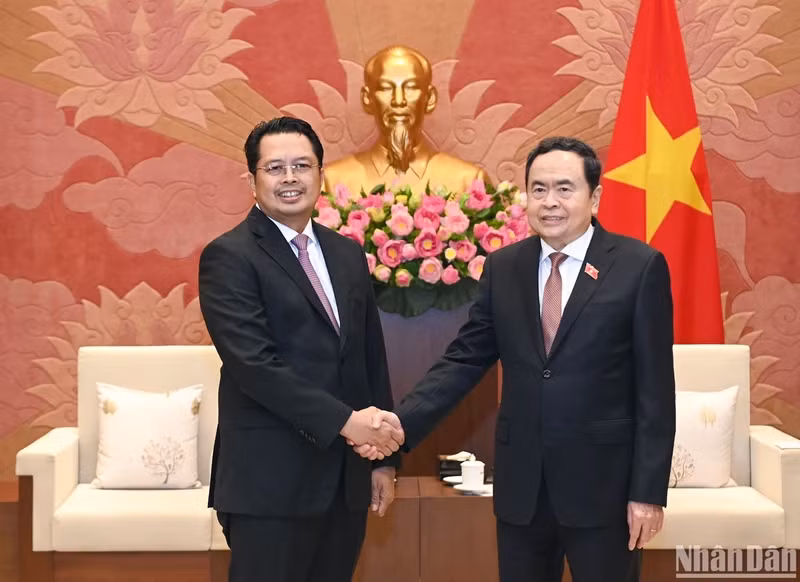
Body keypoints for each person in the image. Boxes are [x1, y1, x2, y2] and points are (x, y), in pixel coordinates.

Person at [358, 137, 676, 582]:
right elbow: (463, 361)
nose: (551, 202)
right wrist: (399, 428)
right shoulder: (505, 267)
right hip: (522, 490)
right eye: (539, 189)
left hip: (603, 490)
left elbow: (656, 392)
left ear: (595, 195)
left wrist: (647, 493)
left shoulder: (638, 267)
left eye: (565, 189)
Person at [199, 116, 404, 582]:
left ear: (321, 174)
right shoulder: (229, 256)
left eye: (301, 165)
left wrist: (384, 459)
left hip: (345, 479)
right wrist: (349, 423)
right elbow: (254, 366)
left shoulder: (347, 253)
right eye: (274, 168)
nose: (289, 178)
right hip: (269, 482)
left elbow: (369, 358)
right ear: (251, 180)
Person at [323, 45, 487, 196]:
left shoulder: (469, 181)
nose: (398, 100)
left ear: (429, 98)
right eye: (386, 88)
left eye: (411, 87)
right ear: (367, 99)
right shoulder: (332, 182)